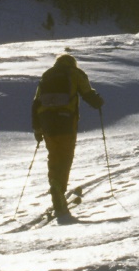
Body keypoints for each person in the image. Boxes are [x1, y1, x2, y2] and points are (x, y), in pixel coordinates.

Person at [30, 52, 104, 220]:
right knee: (65, 156)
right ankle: (59, 190)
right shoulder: (74, 73)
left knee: (53, 155)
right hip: (66, 120)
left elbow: (36, 102)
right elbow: (87, 93)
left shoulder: (47, 74)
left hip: (46, 121)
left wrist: (37, 128)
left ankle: (54, 184)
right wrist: (98, 102)